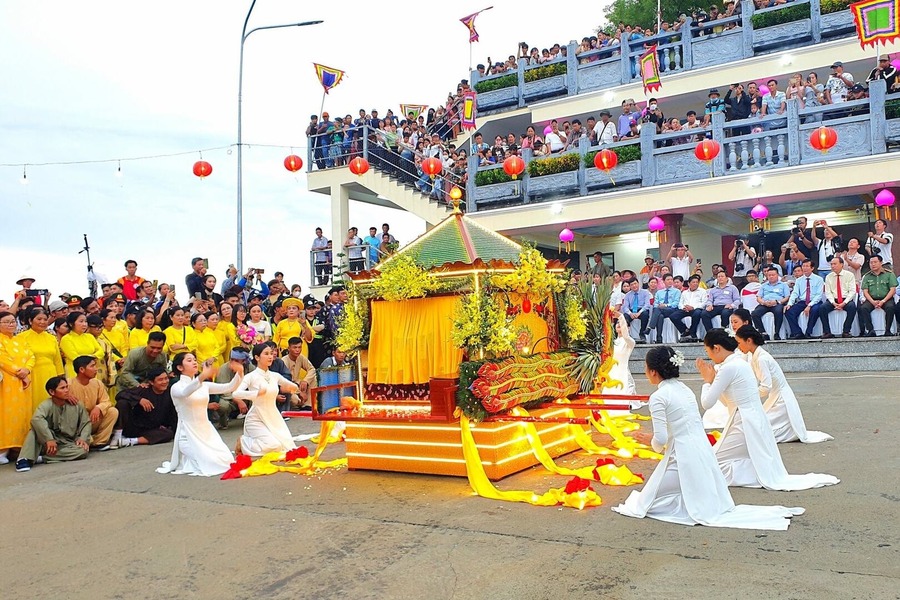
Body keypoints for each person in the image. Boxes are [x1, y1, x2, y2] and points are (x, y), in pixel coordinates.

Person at [612, 346, 805, 530]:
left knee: (645, 502)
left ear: (653, 372)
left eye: (646, 368)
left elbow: (661, 439)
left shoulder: (659, 397)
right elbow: (685, 423)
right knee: (654, 497)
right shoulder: (684, 389)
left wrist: (651, 442)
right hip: (702, 452)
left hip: (682, 457)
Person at [696, 329, 840, 490]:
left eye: (707, 350)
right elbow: (728, 401)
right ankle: (752, 472)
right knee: (718, 459)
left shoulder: (729, 367)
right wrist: (714, 381)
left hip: (743, 423)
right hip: (750, 419)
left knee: (708, 466)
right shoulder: (739, 362)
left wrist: (707, 382)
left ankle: (750, 475)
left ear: (716, 348)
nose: (708, 355)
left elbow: (707, 403)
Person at [734, 326, 833, 444]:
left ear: (749, 341)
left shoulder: (761, 359)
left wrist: (749, 397)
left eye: (739, 343)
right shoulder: (754, 356)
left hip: (781, 401)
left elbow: (766, 387)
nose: (738, 347)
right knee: (754, 426)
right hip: (775, 398)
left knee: (758, 432)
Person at [157, 352, 244, 476]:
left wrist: (239, 372)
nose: (193, 362)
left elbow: (229, 387)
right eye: (189, 360)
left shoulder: (204, 385)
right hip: (187, 434)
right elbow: (185, 393)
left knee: (226, 460)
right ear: (180, 367)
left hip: (206, 431)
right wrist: (202, 377)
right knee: (211, 462)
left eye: (194, 360)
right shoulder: (176, 387)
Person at [232, 344, 300, 457]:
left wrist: (293, 388)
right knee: (274, 446)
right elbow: (236, 394)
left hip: (272, 415)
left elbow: (292, 386)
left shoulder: (275, 376)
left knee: (285, 446)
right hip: (256, 417)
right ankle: (243, 442)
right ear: (257, 357)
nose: (271, 356)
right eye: (266, 354)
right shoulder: (251, 376)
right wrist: (256, 394)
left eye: (272, 353)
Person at [15, 377, 93, 471]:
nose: (67, 390)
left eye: (67, 387)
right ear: (52, 392)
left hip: (68, 442)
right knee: (34, 431)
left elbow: (86, 423)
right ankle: (24, 459)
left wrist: (83, 438)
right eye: (62, 388)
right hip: (47, 441)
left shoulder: (76, 405)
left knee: (82, 451)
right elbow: (36, 419)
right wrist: (49, 439)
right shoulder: (46, 405)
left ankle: (41, 458)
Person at [0, 311, 36, 465]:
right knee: (6, 415)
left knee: (24, 414)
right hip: (7, 382)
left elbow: (31, 356)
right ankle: (3, 449)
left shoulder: (20, 339)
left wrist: (27, 370)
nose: (11, 324)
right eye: (6, 322)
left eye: (13, 321)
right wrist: (19, 372)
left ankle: (21, 448)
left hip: (24, 382)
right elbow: (3, 359)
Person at [112, 367, 178, 447]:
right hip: (134, 426)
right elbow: (120, 395)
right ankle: (117, 436)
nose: (164, 382)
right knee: (123, 403)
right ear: (151, 382)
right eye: (160, 380)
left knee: (168, 434)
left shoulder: (170, 391)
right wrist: (139, 400)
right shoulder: (143, 389)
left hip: (152, 429)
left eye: (166, 378)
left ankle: (129, 441)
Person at [17, 307, 64, 411]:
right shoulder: (21, 337)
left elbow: (57, 359)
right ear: (30, 321)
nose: (42, 322)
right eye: (39, 319)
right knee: (34, 404)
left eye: (45, 319)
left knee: (51, 403)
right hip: (32, 375)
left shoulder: (51, 337)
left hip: (51, 373)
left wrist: (60, 378)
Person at [67, 356, 118, 449]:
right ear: (82, 369)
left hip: (92, 420)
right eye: (92, 366)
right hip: (76, 424)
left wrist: (98, 408)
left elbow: (106, 401)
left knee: (112, 411)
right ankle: (87, 441)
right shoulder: (68, 384)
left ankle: (99, 442)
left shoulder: (97, 383)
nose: (96, 369)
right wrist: (65, 395)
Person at [784, 260, 824, 340]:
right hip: (802, 302)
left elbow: (819, 295)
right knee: (789, 311)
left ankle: (809, 332)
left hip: (815, 301)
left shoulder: (819, 279)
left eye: (807, 266)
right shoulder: (799, 280)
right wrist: (789, 304)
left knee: (815, 310)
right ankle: (797, 332)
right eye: (803, 266)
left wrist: (809, 305)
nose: (804, 268)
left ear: (812, 268)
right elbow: (795, 293)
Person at [858, 255, 897, 337]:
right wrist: (873, 302)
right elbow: (865, 291)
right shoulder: (867, 276)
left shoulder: (889, 274)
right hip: (872, 299)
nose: (873, 264)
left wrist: (883, 301)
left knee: (890, 307)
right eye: (871, 263)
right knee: (863, 308)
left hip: (886, 298)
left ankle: (888, 330)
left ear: (881, 263)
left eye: (875, 262)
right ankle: (870, 330)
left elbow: (892, 290)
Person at [820, 256, 858, 338]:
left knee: (852, 307)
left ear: (841, 264)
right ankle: (827, 332)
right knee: (822, 308)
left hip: (845, 299)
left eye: (835, 264)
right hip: (833, 300)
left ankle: (846, 331)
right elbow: (828, 292)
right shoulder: (829, 276)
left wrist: (844, 303)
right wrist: (833, 303)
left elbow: (852, 291)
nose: (833, 266)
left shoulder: (849, 275)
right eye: (831, 264)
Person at [59, 312, 104, 379]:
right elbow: (74, 357)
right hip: (74, 371)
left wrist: (93, 356)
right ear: (71, 324)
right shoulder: (66, 339)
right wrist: (92, 358)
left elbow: (101, 351)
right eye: (81, 321)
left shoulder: (90, 336)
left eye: (85, 321)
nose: (84, 324)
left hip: (91, 370)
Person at [751, 268, 790, 340]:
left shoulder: (783, 285)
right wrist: (763, 302)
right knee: (754, 313)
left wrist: (777, 301)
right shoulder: (763, 285)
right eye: (769, 275)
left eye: (773, 275)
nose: (771, 276)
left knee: (778, 311)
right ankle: (763, 332)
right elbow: (758, 297)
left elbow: (787, 297)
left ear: (777, 275)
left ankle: (777, 333)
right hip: (765, 303)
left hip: (777, 303)